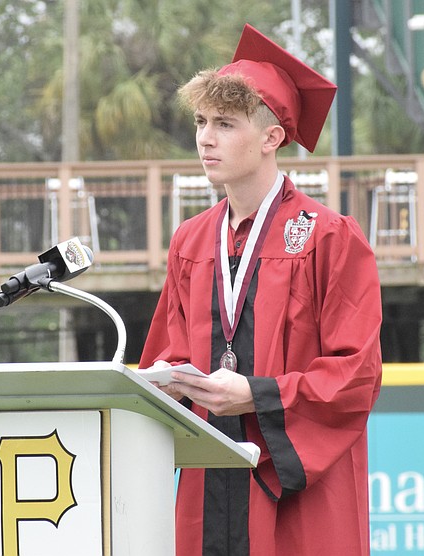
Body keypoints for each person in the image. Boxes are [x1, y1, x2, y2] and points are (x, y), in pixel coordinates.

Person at [139, 23, 383, 555]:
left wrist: (258, 394)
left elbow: (356, 374)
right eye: (201, 122)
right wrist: (166, 379)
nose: (205, 138)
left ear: (273, 138)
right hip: (209, 477)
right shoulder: (191, 240)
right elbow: (169, 350)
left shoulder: (327, 237)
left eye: (225, 124)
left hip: (300, 489)